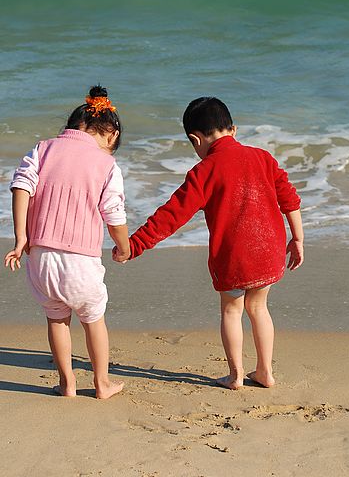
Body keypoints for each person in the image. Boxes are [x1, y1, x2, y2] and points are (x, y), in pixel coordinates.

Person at [114, 97, 304, 390]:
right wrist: (298, 238)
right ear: (234, 130)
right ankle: (265, 371)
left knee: (231, 310)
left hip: (233, 256)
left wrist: (135, 244)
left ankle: (236, 375)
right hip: (269, 249)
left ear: (195, 139)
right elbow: (289, 199)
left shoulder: (205, 171)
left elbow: (171, 216)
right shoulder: (263, 157)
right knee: (259, 308)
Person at [4, 86, 129, 399]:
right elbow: (113, 212)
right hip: (81, 261)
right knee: (93, 318)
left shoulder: (43, 149)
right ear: (111, 135)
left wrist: (22, 237)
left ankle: (67, 384)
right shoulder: (106, 164)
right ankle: (101, 384)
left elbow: (21, 185)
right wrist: (123, 246)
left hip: (41, 256)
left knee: (57, 319)